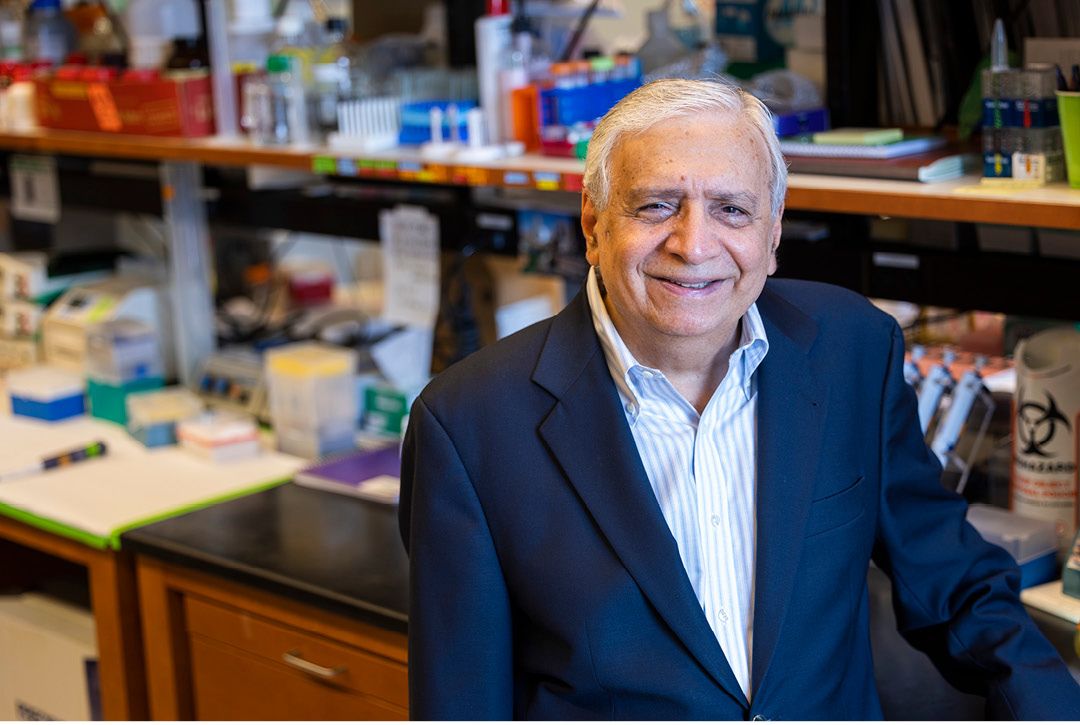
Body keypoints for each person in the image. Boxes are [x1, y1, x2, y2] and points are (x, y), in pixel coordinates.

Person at [398, 78, 1080, 719]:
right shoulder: (469, 425)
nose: (695, 245)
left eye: (731, 209)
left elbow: (953, 581)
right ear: (594, 222)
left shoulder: (851, 350)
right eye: (656, 204)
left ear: (773, 231)